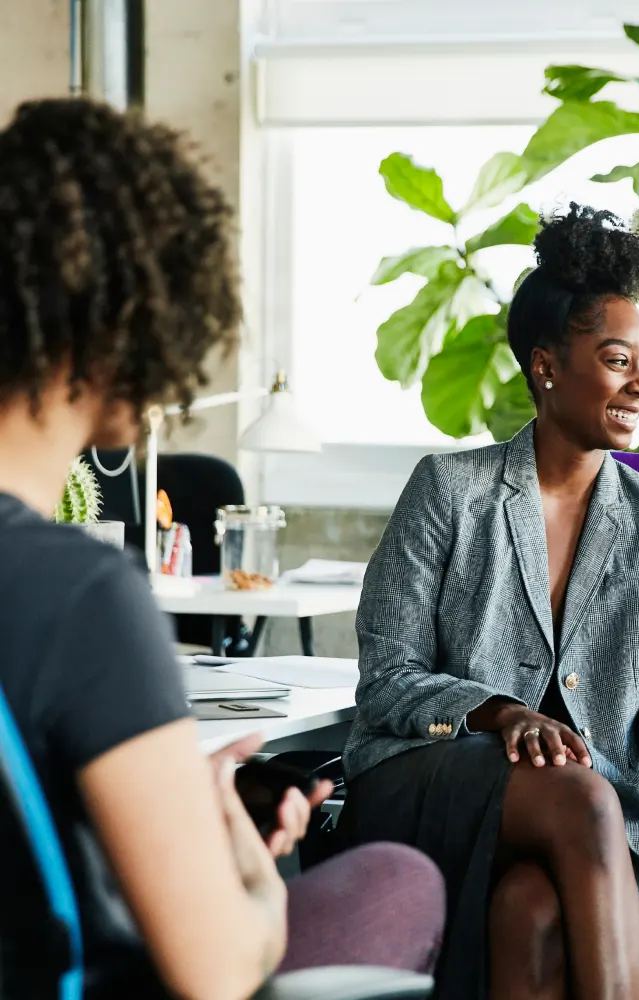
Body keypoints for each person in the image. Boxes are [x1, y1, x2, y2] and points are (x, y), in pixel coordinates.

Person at [0, 98, 444, 1000]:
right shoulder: (80, 595)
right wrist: (241, 859)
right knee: (402, 880)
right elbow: (214, 974)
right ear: (131, 317)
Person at [340, 203, 639, 1000]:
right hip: (434, 782)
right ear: (546, 366)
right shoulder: (449, 491)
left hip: (579, 822)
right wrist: (501, 712)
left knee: (530, 910)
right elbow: (388, 679)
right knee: (580, 793)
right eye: (615, 359)